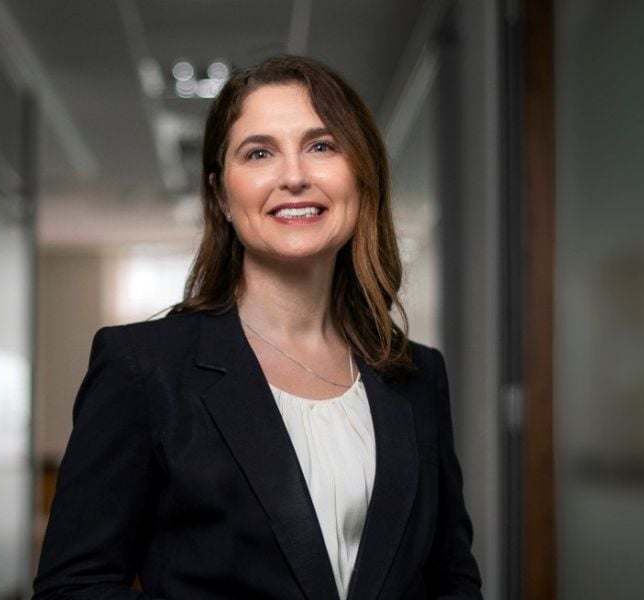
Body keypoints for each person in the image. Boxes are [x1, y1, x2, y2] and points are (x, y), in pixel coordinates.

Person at [34, 55, 482, 600]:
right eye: (259, 153)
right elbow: (74, 586)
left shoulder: (416, 374)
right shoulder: (142, 367)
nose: (294, 176)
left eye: (321, 146)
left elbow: (451, 578)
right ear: (222, 195)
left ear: (362, 177)